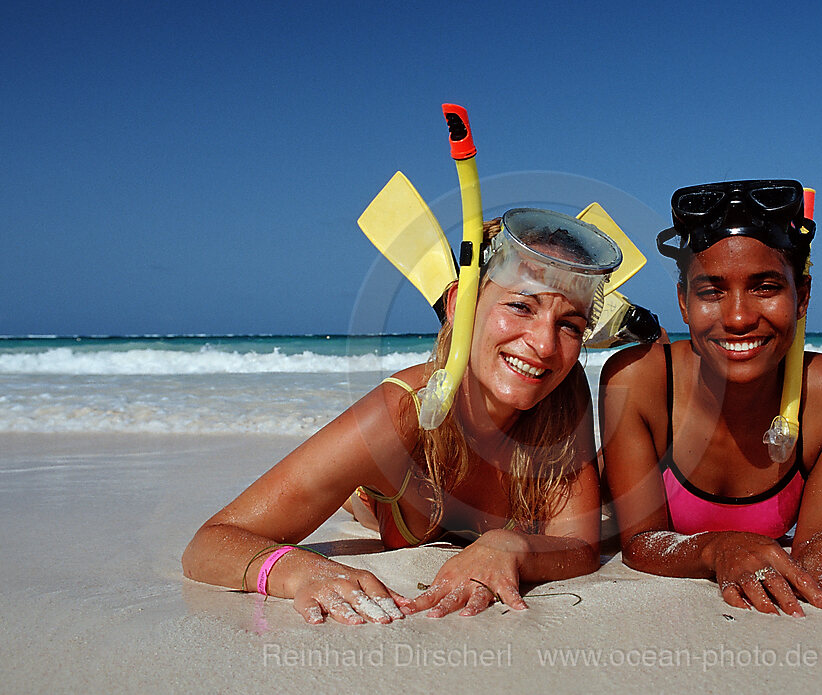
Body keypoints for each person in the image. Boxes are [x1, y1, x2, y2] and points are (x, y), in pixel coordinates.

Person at [183, 208, 622, 624]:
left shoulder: (563, 395)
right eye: (521, 307)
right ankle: (358, 494)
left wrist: (509, 545)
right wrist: (299, 571)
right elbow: (211, 543)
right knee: (360, 500)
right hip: (377, 496)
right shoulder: (398, 413)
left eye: (570, 325)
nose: (545, 346)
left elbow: (579, 545)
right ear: (460, 304)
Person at [599, 180, 822, 617]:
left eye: (765, 287)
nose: (738, 318)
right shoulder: (640, 380)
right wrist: (719, 548)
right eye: (711, 292)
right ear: (683, 302)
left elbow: (821, 539)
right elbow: (640, 544)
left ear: (801, 296)